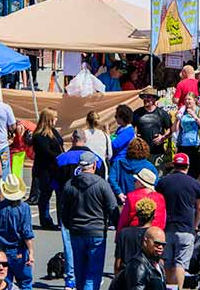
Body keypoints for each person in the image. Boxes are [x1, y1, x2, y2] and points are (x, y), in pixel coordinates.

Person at [59, 152, 118, 290]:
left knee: (80, 272)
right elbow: (112, 207)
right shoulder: (102, 185)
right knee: (93, 274)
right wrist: (118, 226)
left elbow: (63, 210)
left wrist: (70, 225)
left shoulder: (70, 185)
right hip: (96, 232)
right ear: (95, 165)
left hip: (77, 232)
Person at [156, 152, 200, 288]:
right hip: (186, 229)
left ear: (174, 165)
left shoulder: (163, 182)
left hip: (166, 229)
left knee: (167, 262)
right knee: (181, 264)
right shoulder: (194, 183)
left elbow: (158, 204)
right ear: (187, 166)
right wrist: (195, 226)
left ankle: (169, 287)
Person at [0, 175, 34, 290]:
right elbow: (26, 232)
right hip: (19, 249)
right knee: (25, 281)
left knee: (4, 283)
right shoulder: (24, 208)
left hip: (2, 250)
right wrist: (31, 251)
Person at [30, 108, 63, 229]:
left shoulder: (54, 132)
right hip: (45, 169)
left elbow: (59, 145)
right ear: (49, 119)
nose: (56, 120)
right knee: (45, 195)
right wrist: (60, 157)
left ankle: (61, 220)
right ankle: (45, 220)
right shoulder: (39, 135)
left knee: (60, 195)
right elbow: (46, 152)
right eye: (55, 118)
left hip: (57, 169)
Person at [110, 137, 160, 205]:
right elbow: (156, 182)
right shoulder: (150, 166)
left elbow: (111, 179)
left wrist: (119, 193)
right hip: (143, 203)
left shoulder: (118, 163)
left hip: (123, 201)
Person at [114, 197, 158, 274]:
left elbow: (118, 262)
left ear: (137, 215)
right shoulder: (154, 234)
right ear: (153, 216)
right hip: (146, 275)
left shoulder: (124, 233)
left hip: (126, 275)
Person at [174, 92, 200, 177]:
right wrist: (177, 119)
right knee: (184, 172)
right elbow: (175, 130)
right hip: (183, 145)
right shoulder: (183, 112)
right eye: (185, 99)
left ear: (194, 100)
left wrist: (195, 116)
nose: (187, 101)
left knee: (197, 172)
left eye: (189, 99)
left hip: (197, 146)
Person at [133, 90, 172, 159]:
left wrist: (163, 137)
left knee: (158, 170)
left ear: (154, 99)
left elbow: (170, 129)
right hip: (141, 153)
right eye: (144, 97)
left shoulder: (162, 113)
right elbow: (130, 127)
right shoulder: (137, 113)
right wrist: (135, 137)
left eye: (148, 97)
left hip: (158, 152)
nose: (145, 99)